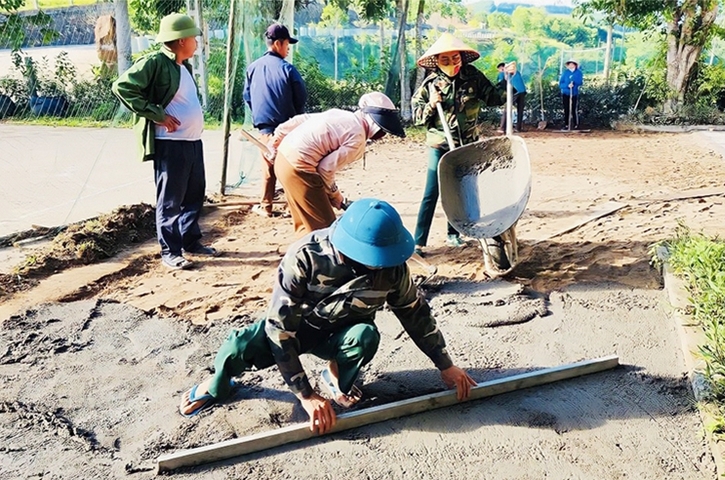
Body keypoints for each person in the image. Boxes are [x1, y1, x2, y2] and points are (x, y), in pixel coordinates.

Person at [179, 198, 478, 434]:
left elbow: (416, 313)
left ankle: (334, 376)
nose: (380, 266)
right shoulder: (305, 257)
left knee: (365, 337)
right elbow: (279, 330)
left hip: (342, 330)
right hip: (298, 327)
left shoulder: (393, 268)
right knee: (238, 348)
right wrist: (306, 395)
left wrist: (445, 364)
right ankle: (217, 385)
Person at [112, 13, 218, 270]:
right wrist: (158, 114)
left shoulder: (183, 67)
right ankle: (170, 251)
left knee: (194, 195)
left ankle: (190, 241)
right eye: (193, 37)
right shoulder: (155, 62)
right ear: (181, 40)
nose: (196, 42)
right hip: (171, 144)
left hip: (192, 142)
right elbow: (122, 86)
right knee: (170, 200)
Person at [411, 33, 515, 256]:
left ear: (461, 57)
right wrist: (431, 104)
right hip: (440, 146)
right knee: (432, 192)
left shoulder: (474, 78)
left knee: (463, 189)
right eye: (445, 60)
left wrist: (509, 79)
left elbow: (495, 98)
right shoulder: (430, 84)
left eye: (455, 58)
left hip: (467, 145)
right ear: (437, 61)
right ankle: (418, 242)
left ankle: (454, 234)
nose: (451, 64)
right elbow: (417, 117)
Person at [264, 92, 405, 237]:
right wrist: (336, 196)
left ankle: (303, 256)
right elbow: (325, 169)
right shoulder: (358, 138)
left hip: (283, 160)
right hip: (299, 169)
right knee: (326, 230)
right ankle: (319, 258)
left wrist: (274, 143)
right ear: (375, 125)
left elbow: (299, 120)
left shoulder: (341, 114)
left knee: (306, 224)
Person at [243, 24, 307, 218]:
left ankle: (266, 205)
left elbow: (247, 96)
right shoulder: (288, 69)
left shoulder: (252, 68)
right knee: (289, 165)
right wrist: (297, 117)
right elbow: (301, 96)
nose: (288, 49)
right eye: (287, 44)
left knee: (268, 166)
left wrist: (261, 117)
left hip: (265, 128)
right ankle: (291, 206)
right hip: (287, 126)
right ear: (278, 43)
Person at [496, 62, 527, 133]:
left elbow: (501, 84)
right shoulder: (516, 72)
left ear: (502, 68)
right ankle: (518, 128)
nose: (500, 71)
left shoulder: (503, 73)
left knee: (507, 109)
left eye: (500, 69)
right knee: (520, 110)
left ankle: (502, 128)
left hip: (515, 91)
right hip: (522, 91)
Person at [559, 59, 583, 131]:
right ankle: (566, 124)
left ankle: (575, 124)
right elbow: (560, 83)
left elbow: (580, 82)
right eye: (569, 64)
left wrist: (574, 84)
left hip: (574, 93)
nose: (570, 66)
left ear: (575, 65)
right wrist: (567, 85)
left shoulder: (578, 73)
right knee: (566, 109)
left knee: (573, 109)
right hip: (566, 93)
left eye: (572, 64)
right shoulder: (565, 73)